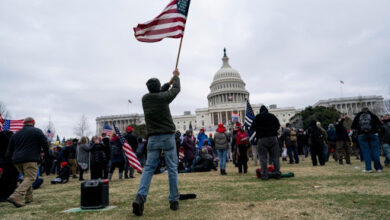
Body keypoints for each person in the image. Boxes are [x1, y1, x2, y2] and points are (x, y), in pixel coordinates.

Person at [132, 69, 181, 216]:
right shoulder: (163, 98)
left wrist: (169, 82)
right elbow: (176, 90)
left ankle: (140, 197)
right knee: (172, 168)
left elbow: (161, 91)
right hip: (167, 137)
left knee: (148, 169)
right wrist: (177, 78)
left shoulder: (145, 99)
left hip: (152, 138)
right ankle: (173, 200)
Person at [5, 117, 49, 207]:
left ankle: (29, 198)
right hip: (30, 159)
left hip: (17, 160)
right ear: (33, 123)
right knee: (31, 178)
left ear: (24, 123)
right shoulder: (37, 131)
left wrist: (9, 159)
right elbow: (45, 144)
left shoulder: (16, 134)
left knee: (26, 178)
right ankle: (16, 196)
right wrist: (48, 156)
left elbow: (9, 150)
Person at [250, 105, 281, 180]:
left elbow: (252, 127)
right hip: (273, 138)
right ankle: (277, 173)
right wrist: (273, 131)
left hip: (262, 138)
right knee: (275, 157)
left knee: (263, 158)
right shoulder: (272, 116)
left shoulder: (258, 117)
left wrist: (259, 131)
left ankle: (264, 175)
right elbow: (278, 125)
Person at [351, 107, 383, 173]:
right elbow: (380, 124)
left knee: (366, 152)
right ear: (368, 110)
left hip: (362, 135)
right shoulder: (373, 115)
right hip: (373, 134)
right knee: (375, 151)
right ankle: (378, 168)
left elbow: (353, 126)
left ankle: (368, 168)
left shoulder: (358, 116)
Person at [0, 130, 18, 202]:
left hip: (4, 161)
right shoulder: (12, 140)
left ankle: (3, 195)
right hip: (11, 160)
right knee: (12, 179)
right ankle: (8, 195)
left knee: (4, 179)